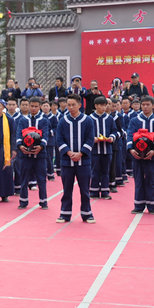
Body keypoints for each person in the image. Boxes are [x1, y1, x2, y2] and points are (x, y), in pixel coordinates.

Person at [55, 94, 95, 223]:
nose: (71, 107)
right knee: (67, 189)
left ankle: (87, 214)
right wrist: (69, 152)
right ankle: (65, 214)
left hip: (84, 161)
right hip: (67, 161)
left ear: (79, 105)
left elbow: (90, 139)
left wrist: (81, 153)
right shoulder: (63, 120)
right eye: (69, 105)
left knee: (84, 189)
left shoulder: (88, 120)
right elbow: (59, 139)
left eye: (73, 105)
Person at [127, 96, 154, 215]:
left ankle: (152, 206)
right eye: (143, 105)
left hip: (153, 157)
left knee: (151, 181)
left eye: (148, 104)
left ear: (153, 106)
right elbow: (129, 135)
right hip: (137, 156)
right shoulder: (135, 120)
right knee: (138, 181)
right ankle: (138, 205)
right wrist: (131, 150)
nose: (145, 107)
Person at [16, 97, 50, 210]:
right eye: (32, 106)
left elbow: (46, 135)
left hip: (40, 155)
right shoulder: (23, 120)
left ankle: (43, 201)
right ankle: (23, 201)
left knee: (41, 178)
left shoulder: (44, 120)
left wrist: (41, 146)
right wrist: (20, 146)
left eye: (36, 106)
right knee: (24, 178)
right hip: (25, 155)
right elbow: (18, 134)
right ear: (29, 106)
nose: (33, 108)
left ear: (40, 106)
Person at [89, 96, 116, 200]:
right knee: (94, 170)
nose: (104, 107)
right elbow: (86, 133)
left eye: (105, 105)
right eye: (101, 105)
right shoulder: (90, 118)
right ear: (96, 106)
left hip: (107, 149)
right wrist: (92, 138)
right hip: (95, 150)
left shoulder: (109, 118)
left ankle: (105, 191)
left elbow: (114, 131)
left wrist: (111, 138)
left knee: (106, 171)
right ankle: (94, 191)